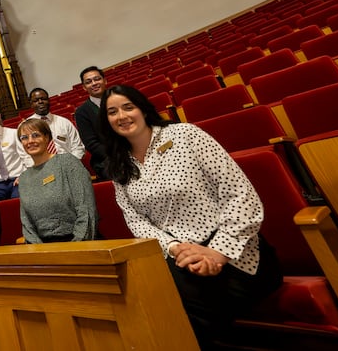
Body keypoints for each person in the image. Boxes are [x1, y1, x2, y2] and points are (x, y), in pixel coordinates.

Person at [99, 85, 282, 347]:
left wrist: (217, 253)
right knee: (145, 293)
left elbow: (240, 195)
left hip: (237, 257)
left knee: (170, 303)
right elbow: (136, 220)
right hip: (180, 258)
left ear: (143, 109)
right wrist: (174, 248)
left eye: (128, 107)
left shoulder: (185, 135)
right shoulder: (119, 164)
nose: (122, 116)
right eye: (112, 112)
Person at [16, 118, 97, 243]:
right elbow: (27, 224)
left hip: (78, 242)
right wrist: (40, 252)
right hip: (43, 250)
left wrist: (77, 246)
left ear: (47, 137)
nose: (30, 141)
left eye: (35, 135)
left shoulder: (68, 163)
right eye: (24, 138)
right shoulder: (24, 178)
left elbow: (86, 210)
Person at [26, 88, 84, 163]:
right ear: (31, 104)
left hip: (69, 164)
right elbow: (25, 156)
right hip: (42, 169)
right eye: (36, 100)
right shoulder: (25, 127)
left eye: (43, 99)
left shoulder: (64, 122)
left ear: (49, 101)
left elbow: (77, 147)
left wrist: (71, 164)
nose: (40, 102)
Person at [74, 66, 108, 178]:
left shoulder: (120, 98)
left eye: (97, 79)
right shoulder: (81, 112)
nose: (94, 83)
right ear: (84, 87)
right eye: (88, 82)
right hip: (107, 158)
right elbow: (91, 144)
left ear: (105, 80)